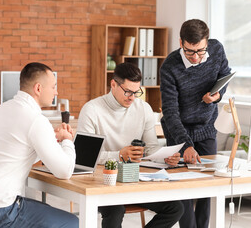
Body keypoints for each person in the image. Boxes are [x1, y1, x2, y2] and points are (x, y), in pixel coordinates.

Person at [77, 62, 184, 228]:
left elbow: (151, 148)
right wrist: (119, 155)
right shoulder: (91, 110)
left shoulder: (144, 109)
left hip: (134, 180)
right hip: (104, 181)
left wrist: (165, 156)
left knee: (175, 208)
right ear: (113, 84)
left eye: (136, 92)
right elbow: (85, 158)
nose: (132, 97)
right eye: (127, 91)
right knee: (115, 210)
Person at [0, 62, 79, 228]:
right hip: (3, 212)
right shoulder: (36, 120)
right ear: (38, 88)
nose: (56, 92)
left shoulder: (2, 109)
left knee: (46, 209)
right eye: (53, 86)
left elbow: (18, 147)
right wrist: (67, 140)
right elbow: (65, 171)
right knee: (72, 222)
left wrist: (53, 137)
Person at [160, 19, 232, 228]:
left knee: (207, 187)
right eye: (190, 51)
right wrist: (186, 145)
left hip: (207, 128)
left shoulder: (216, 49)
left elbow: (225, 75)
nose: (196, 57)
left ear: (207, 42)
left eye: (200, 51)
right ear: (181, 42)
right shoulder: (169, 67)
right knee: (183, 188)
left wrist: (217, 96)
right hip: (178, 132)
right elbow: (170, 113)